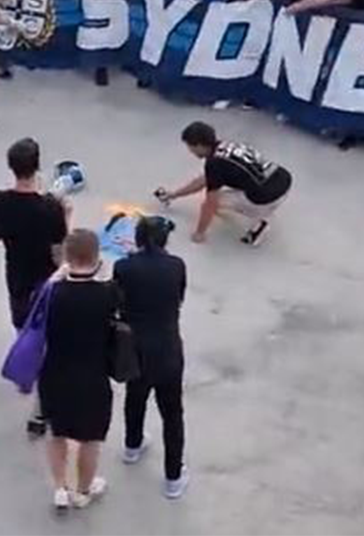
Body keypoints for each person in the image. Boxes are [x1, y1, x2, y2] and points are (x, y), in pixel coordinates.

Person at [40, 229, 118, 511]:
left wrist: (53, 278)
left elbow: (35, 318)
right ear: (97, 258)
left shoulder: (52, 293)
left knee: (57, 431)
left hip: (54, 373)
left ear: (66, 257)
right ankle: (83, 491)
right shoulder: (107, 295)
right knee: (90, 438)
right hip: (92, 377)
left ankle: (60, 487)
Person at [113, 216, 189, 499]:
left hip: (135, 347)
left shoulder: (123, 267)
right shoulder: (176, 266)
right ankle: (173, 476)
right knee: (172, 413)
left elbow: (118, 300)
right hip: (168, 348)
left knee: (136, 396)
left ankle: (132, 446)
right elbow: (179, 298)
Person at [0, 138, 69, 437]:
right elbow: (59, 253)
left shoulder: (1, 202)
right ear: (37, 166)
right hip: (45, 282)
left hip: (17, 278)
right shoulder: (51, 208)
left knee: (23, 329)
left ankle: (25, 377)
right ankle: (39, 412)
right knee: (47, 343)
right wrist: (66, 216)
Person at [156, 121, 293, 246]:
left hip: (268, 196)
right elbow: (205, 180)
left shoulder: (214, 164)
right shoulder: (225, 146)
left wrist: (199, 233)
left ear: (199, 145)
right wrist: (174, 195)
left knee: (215, 203)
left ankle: (262, 221)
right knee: (227, 193)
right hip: (282, 179)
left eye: (190, 147)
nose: (190, 151)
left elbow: (210, 204)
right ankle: (264, 208)